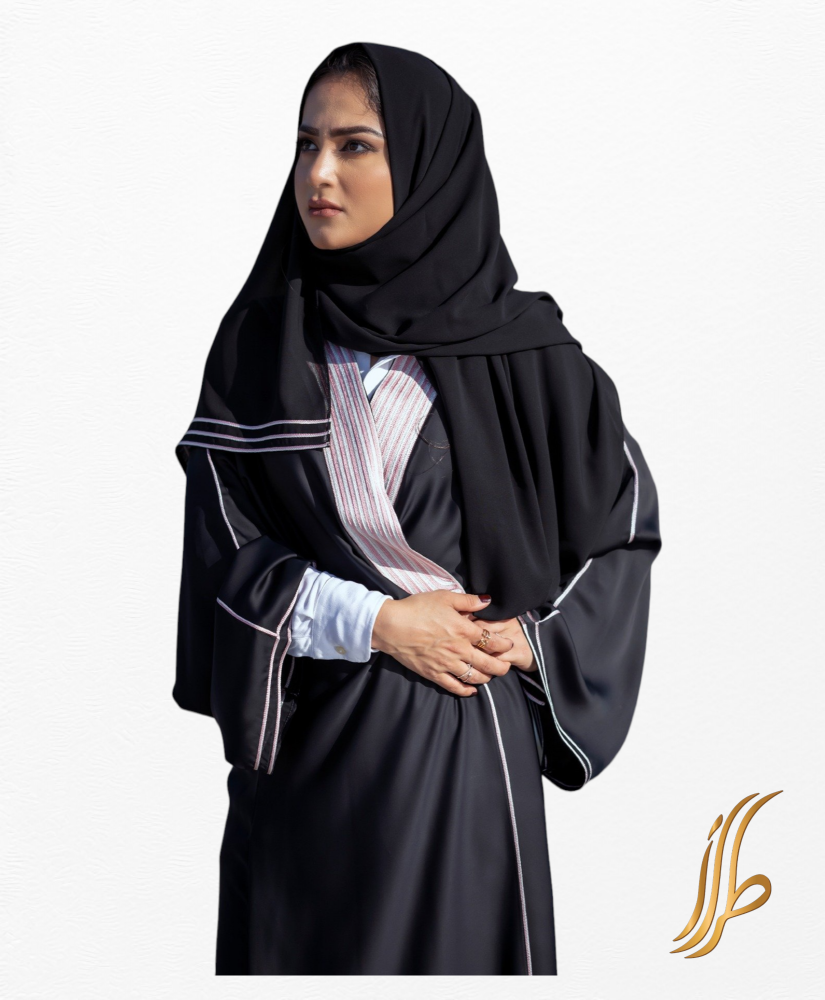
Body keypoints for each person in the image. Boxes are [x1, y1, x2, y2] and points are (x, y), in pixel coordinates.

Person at [173, 41, 662, 976]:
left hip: (460, 763)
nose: (318, 174)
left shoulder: (530, 358)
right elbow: (223, 555)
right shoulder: (257, 349)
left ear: (431, 165)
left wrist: (531, 642)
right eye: (306, 143)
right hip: (303, 768)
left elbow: (622, 527)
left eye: (355, 145)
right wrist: (378, 623)